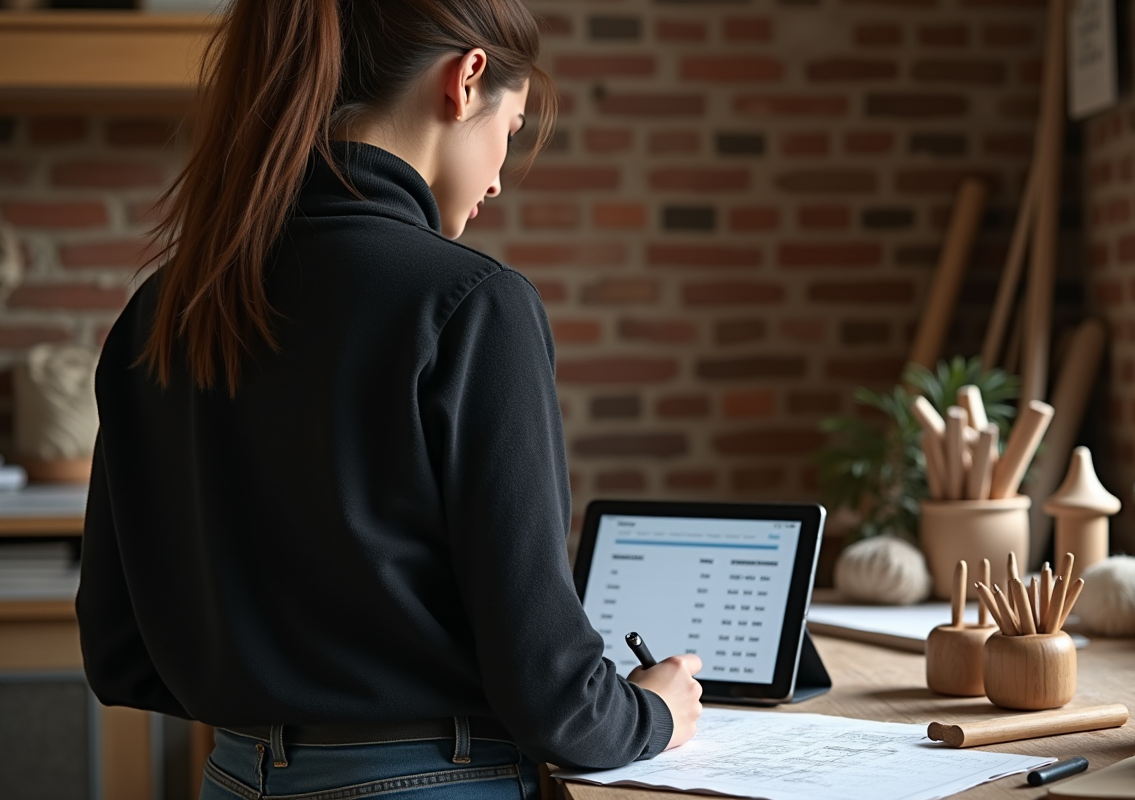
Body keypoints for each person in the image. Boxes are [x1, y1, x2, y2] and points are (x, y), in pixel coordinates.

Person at [73, 1, 703, 798]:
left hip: (234, 777)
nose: (498, 179)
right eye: (511, 131)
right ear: (466, 80)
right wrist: (653, 711)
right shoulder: (473, 305)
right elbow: (553, 697)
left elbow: (118, 653)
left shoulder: (159, 311)